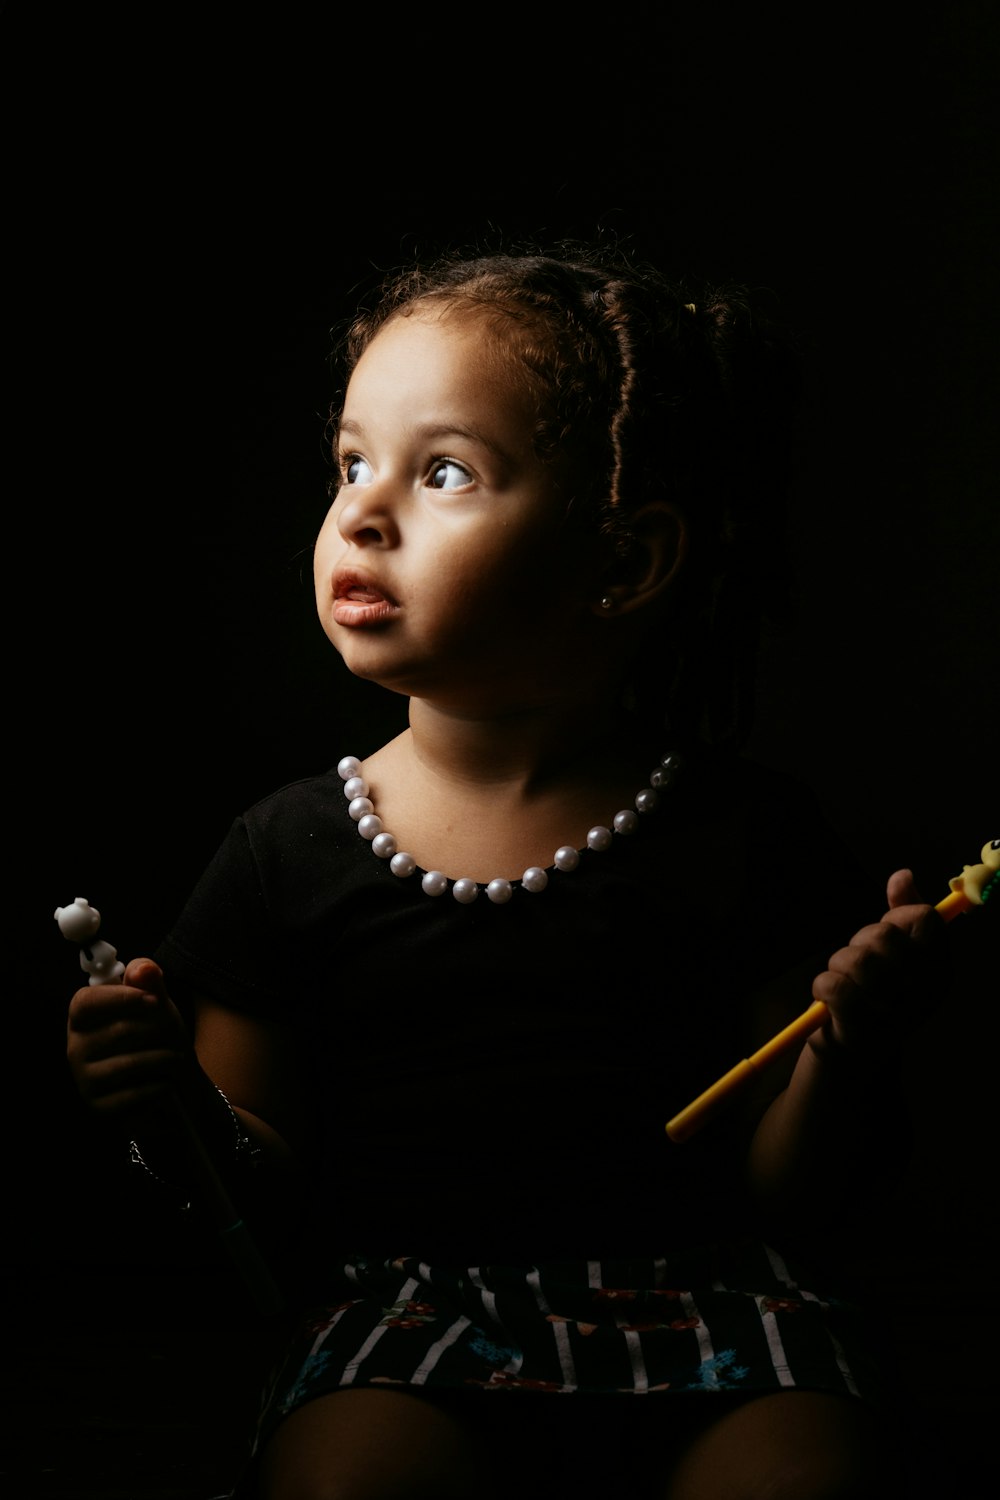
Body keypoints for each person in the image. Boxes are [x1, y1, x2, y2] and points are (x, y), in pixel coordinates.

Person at [66, 243, 946, 1498]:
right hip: (409, 1331)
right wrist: (169, 1104)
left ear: (624, 561)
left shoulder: (745, 837)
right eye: (352, 464)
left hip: (717, 1314)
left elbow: (785, 1192)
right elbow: (259, 1181)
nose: (362, 513)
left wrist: (844, 1049)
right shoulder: (285, 850)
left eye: (444, 473)